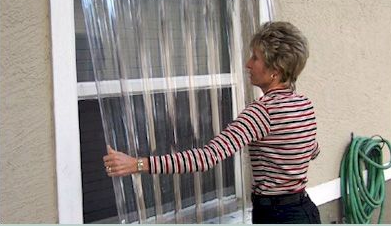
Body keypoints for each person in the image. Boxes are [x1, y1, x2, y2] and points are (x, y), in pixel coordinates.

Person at [103, 21, 321, 224]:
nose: (248, 64)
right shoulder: (304, 104)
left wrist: (137, 164)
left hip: (277, 216)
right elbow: (312, 150)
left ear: (276, 70)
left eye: (255, 58)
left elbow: (207, 158)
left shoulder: (262, 112)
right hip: (305, 211)